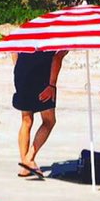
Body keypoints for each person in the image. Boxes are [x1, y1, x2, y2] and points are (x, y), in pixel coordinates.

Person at [12, 50, 67, 178]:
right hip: (42, 76)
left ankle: (25, 166)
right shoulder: (55, 34)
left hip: (21, 73)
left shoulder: (25, 32)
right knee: (49, 121)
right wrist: (52, 85)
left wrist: (19, 72)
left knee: (26, 121)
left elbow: (14, 52)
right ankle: (29, 158)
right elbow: (57, 58)